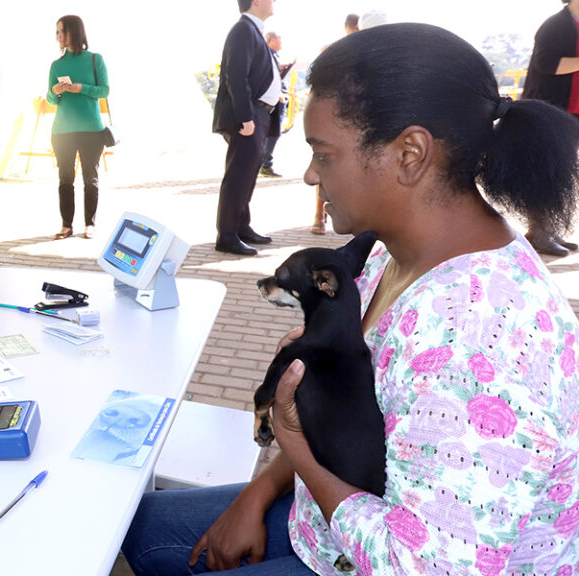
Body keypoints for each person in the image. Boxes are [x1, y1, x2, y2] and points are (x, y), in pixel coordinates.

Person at [122, 23, 579, 574]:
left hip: (387, 560)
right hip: (337, 523)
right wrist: (259, 492)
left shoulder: (480, 339)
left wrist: (294, 444)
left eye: (323, 155)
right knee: (140, 527)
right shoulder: (392, 253)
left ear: (410, 153)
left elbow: (424, 566)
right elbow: (353, 415)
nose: (310, 175)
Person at [213, 0, 281, 257]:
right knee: (238, 176)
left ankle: (241, 227)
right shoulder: (243, 29)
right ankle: (227, 235)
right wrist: (245, 117)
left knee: (248, 174)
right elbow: (235, 76)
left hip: (258, 113)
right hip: (248, 115)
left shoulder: (253, 30)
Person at [521, 0, 579, 257]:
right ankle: (538, 233)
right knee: (546, 173)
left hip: (574, 112)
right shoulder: (555, 26)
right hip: (551, 110)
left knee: (562, 173)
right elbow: (546, 64)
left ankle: (550, 231)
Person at [46, 14, 109, 241]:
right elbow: (51, 99)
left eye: (62, 31)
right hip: (62, 131)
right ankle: (66, 225)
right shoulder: (57, 65)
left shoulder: (95, 60)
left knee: (90, 179)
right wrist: (55, 91)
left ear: (74, 31)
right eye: (57, 32)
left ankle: (90, 224)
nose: (58, 36)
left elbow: (104, 91)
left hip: (92, 130)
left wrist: (81, 88)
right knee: (65, 179)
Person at [310, 12, 359, 236]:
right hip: (338, 123)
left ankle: (323, 217)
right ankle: (319, 216)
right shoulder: (334, 52)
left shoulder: (336, 51)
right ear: (353, 28)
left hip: (350, 123)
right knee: (325, 167)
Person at [259, 31, 292, 179]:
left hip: (278, 97)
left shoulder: (271, 55)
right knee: (273, 132)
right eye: (279, 39)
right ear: (272, 40)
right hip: (276, 99)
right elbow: (268, 76)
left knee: (272, 132)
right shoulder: (267, 55)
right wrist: (278, 93)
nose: (281, 42)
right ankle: (265, 164)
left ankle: (264, 163)